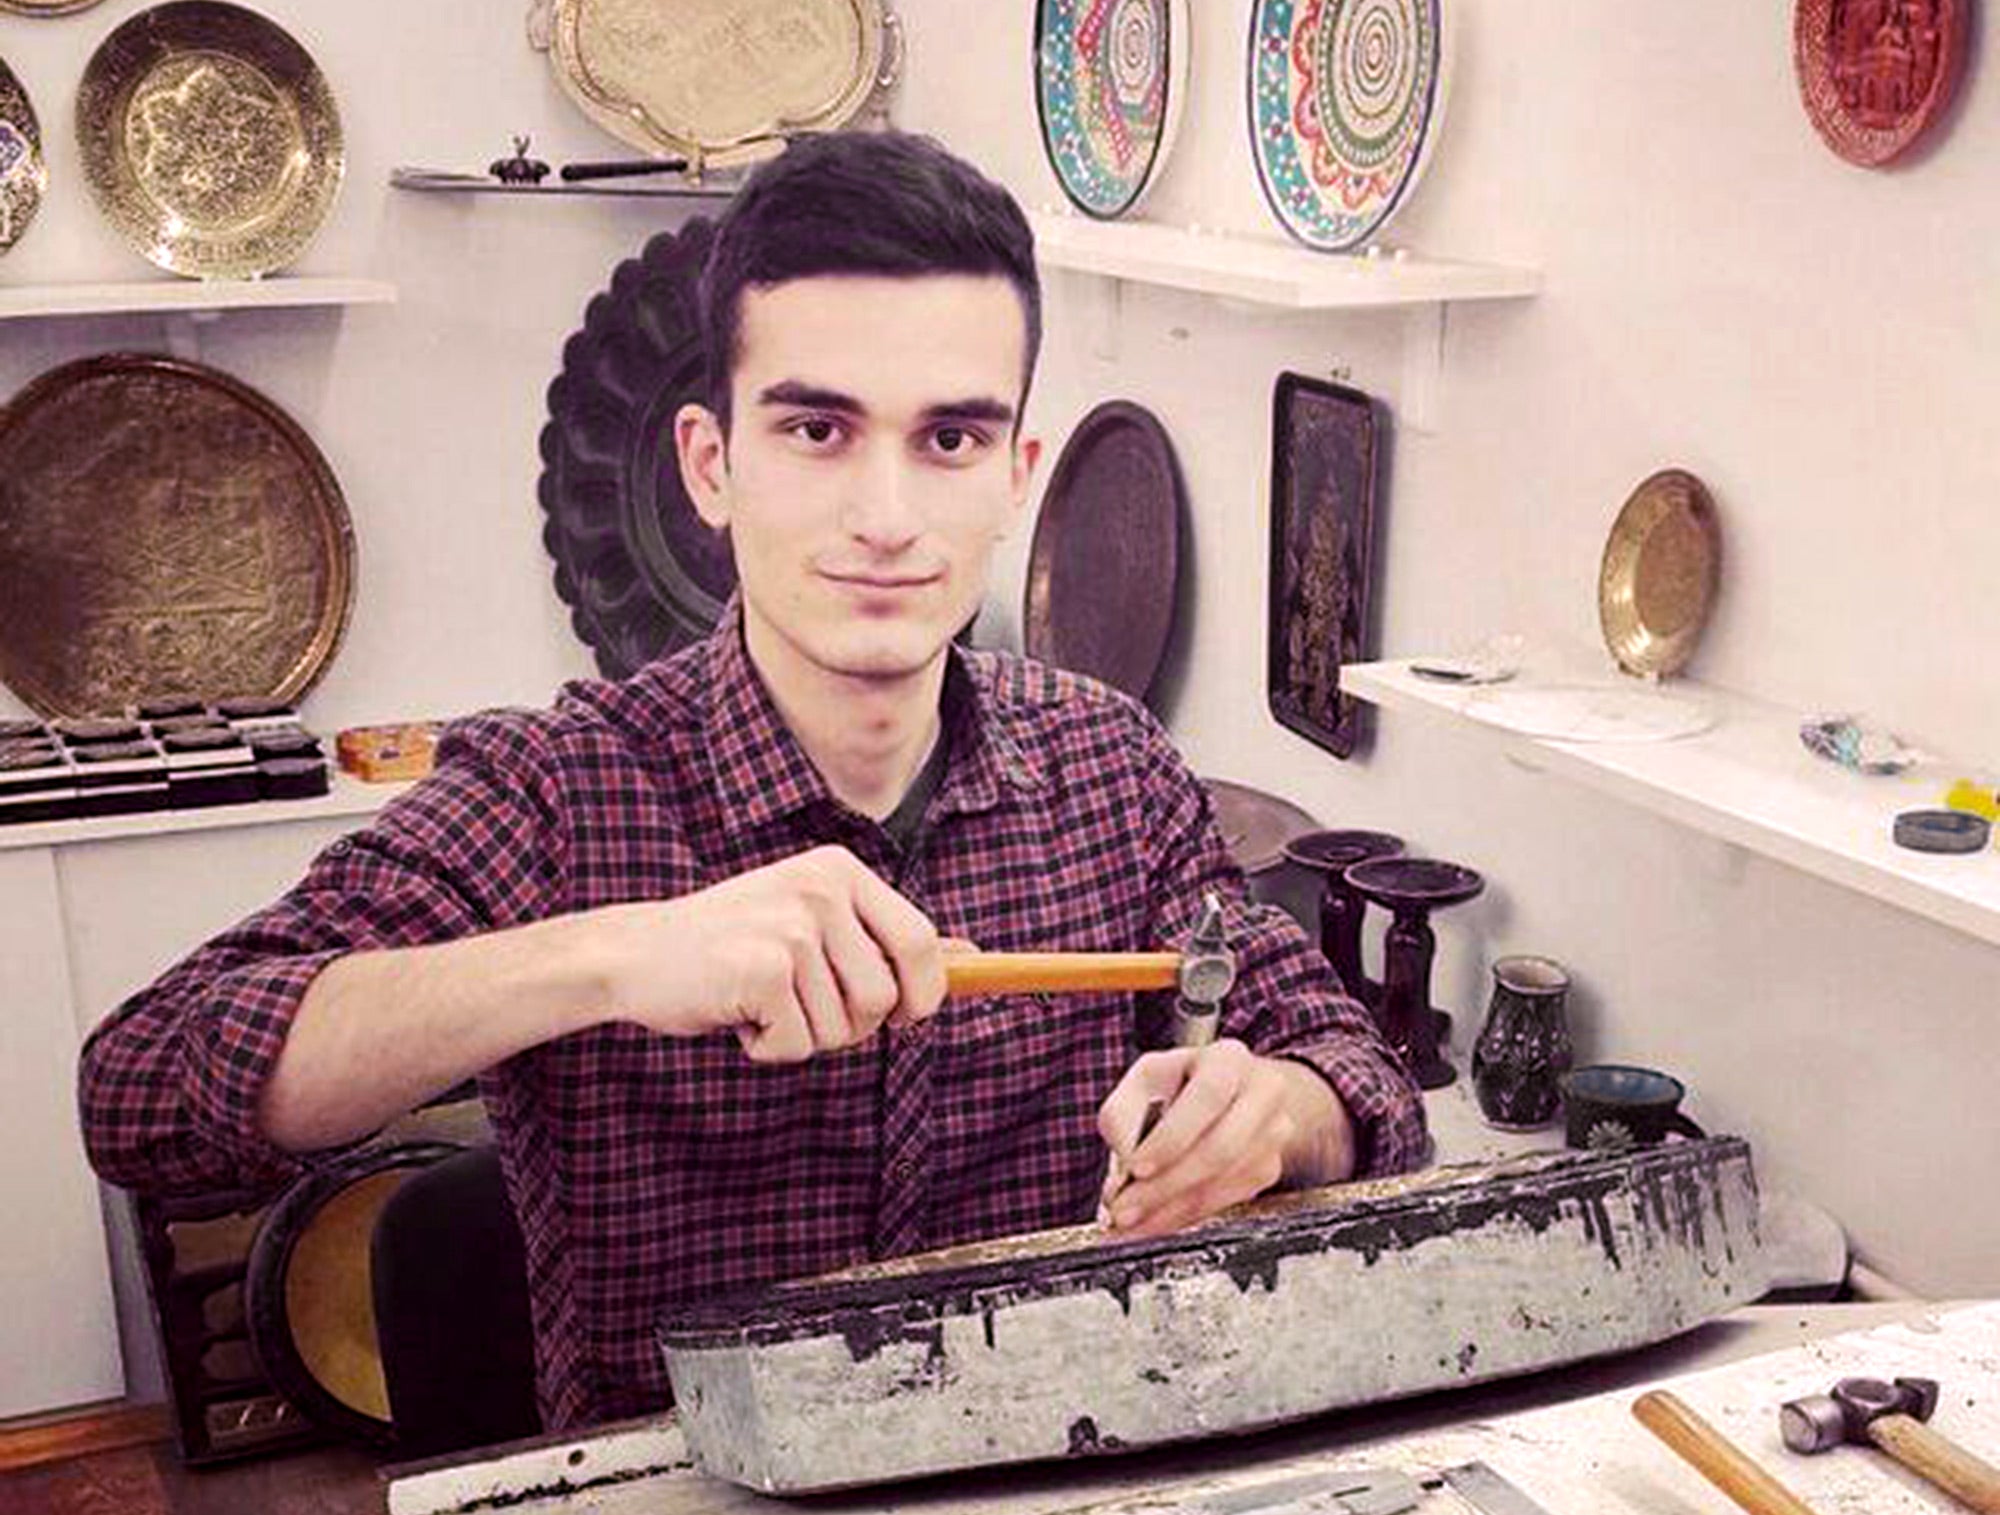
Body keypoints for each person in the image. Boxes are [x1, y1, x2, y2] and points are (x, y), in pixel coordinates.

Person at [79, 130, 1427, 1433]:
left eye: (950, 441)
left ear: (1016, 476)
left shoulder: (1114, 772)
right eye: (818, 431)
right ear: (712, 466)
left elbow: (1358, 1073)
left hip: (1037, 1480)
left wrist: (1277, 1116)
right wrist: (611, 956)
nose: (886, 518)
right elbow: (142, 1089)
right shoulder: (558, 791)